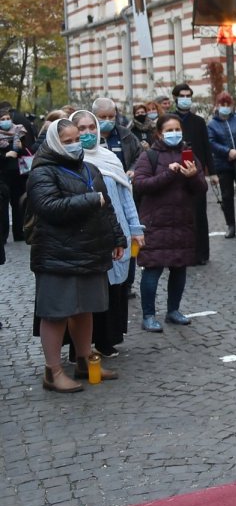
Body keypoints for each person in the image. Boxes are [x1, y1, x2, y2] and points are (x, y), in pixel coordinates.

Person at [25, 118, 124, 392]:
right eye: (67, 141)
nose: (74, 145)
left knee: (85, 310)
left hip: (89, 249)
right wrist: (90, 200)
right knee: (56, 313)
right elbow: (49, 207)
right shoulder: (42, 173)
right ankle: (52, 372)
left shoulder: (91, 169)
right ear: (55, 143)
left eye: (76, 138)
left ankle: (85, 361)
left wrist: (117, 238)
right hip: (57, 254)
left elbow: (108, 208)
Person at [72, 111, 143, 357]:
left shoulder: (110, 158)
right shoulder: (68, 161)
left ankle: (106, 339)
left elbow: (126, 196)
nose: (88, 132)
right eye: (81, 128)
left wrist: (134, 228)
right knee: (88, 291)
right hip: (86, 237)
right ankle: (81, 347)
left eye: (92, 127)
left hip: (116, 233)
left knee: (114, 288)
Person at [133, 113, 207, 331]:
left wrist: (193, 175)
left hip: (182, 221)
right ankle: (148, 315)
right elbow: (141, 184)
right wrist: (168, 173)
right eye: (169, 130)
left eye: (178, 130)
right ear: (159, 133)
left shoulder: (189, 155)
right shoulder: (149, 156)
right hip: (156, 222)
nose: (174, 134)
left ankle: (173, 310)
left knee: (179, 267)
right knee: (152, 269)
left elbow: (201, 188)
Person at [171, 84, 213, 264]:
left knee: (199, 214)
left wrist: (212, 172)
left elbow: (206, 147)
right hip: (175, 173)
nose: (186, 98)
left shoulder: (199, 121)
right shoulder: (170, 120)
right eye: (182, 95)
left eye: (188, 95)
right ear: (175, 98)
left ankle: (201, 253)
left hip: (196, 173)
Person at [207, 91, 236, 238]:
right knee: (227, 196)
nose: (225, 107)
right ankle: (231, 226)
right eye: (222, 104)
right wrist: (227, 151)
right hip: (223, 163)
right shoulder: (212, 124)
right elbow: (211, 142)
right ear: (217, 105)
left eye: (228, 104)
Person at [1, 106, 32, 242]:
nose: (6, 121)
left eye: (8, 119)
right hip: (3, 173)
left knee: (17, 203)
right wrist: (5, 155)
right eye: (2, 119)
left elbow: (27, 150)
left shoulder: (19, 132)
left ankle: (19, 232)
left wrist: (21, 148)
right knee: (2, 206)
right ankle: (3, 236)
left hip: (19, 173)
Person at [92, 98, 140, 171]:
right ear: (94, 116)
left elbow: (140, 156)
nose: (107, 120)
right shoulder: (89, 137)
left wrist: (133, 170)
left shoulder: (125, 134)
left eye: (111, 117)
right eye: (103, 117)